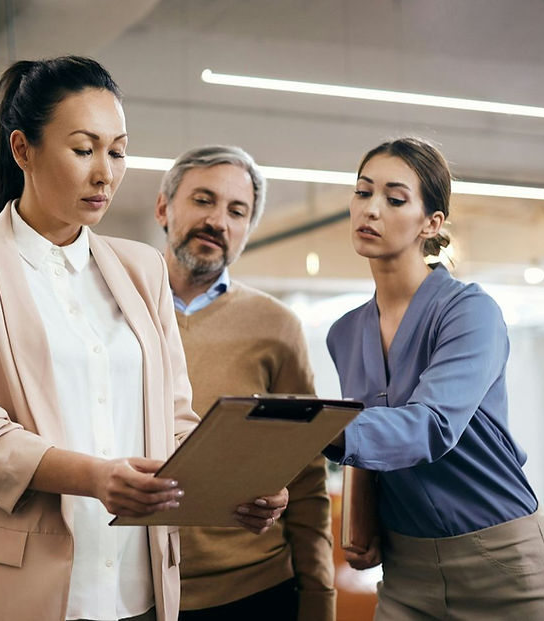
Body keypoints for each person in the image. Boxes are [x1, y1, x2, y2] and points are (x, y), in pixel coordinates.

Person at [0, 57, 287, 621]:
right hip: (12, 587)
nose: (105, 173)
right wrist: (94, 478)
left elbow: (173, 419)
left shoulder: (141, 269)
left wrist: (234, 483)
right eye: (84, 150)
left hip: (136, 586)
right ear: (22, 151)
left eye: (117, 151)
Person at [325, 137, 544, 620]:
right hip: (407, 575)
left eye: (395, 199)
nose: (372, 209)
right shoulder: (345, 334)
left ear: (432, 223)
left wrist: (310, 429)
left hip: (506, 566)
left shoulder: (469, 313)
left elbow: (431, 426)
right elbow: (365, 439)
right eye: (363, 193)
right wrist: (360, 525)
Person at [154, 145, 335, 620]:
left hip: (252, 592)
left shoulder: (277, 326)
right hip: (132, 588)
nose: (218, 220)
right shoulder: (115, 308)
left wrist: (318, 596)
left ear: (247, 231)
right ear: (163, 208)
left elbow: (307, 473)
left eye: (237, 211)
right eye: (203, 200)